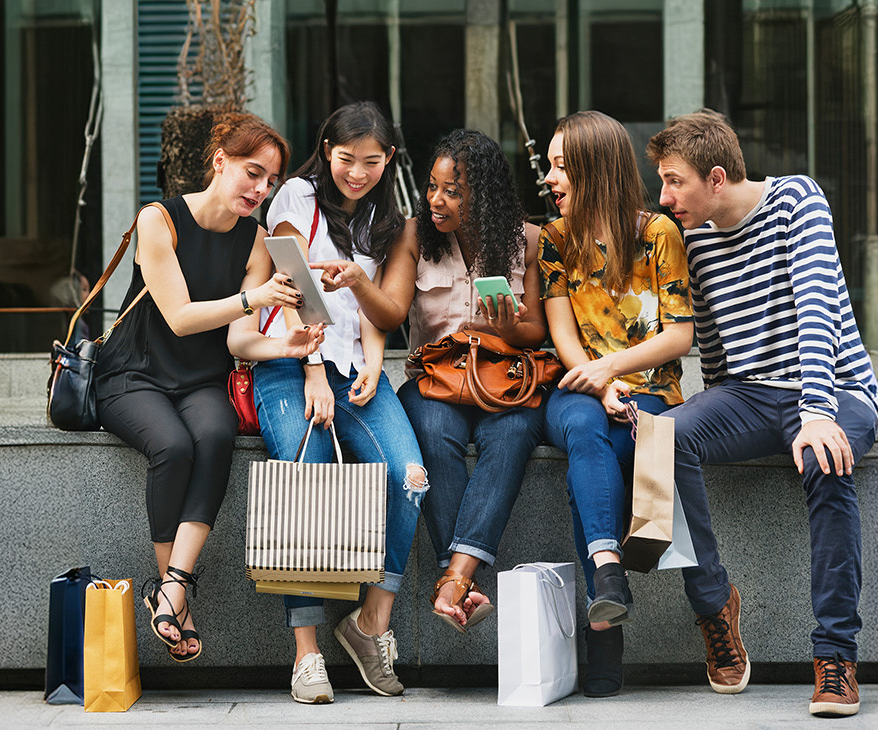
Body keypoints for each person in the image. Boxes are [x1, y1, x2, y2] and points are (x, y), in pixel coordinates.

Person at [646, 109, 878, 718]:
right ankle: (715, 604)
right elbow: (717, 348)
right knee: (661, 437)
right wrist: (714, 411)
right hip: (751, 395)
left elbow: (817, 311)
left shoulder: (797, 201)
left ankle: (836, 656)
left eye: (675, 182)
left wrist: (816, 411)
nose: (665, 196)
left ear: (717, 177)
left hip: (835, 386)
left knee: (827, 464)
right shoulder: (691, 236)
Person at [94, 113, 314, 663]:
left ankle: (171, 588)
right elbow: (181, 317)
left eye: (269, 182)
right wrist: (255, 299)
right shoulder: (158, 219)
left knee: (215, 436)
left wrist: (285, 348)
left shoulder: (256, 240)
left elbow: (239, 341)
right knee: (172, 445)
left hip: (201, 377)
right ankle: (176, 598)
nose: (259, 190)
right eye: (251, 172)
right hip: (133, 373)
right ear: (221, 160)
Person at [228, 101, 426, 705]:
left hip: (353, 368)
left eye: (371, 162)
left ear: (388, 159)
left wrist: (372, 362)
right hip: (291, 364)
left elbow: (372, 309)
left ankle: (370, 627)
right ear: (327, 150)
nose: (357, 173)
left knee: (411, 477)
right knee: (306, 485)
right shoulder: (295, 196)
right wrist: (312, 368)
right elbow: (291, 284)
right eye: (346, 159)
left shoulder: (386, 218)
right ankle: (306, 653)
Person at [329, 128, 549, 631]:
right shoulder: (413, 235)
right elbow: (389, 315)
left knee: (515, 433)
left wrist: (506, 325)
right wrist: (362, 282)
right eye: (433, 187)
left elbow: (536, 331)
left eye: (453, 191)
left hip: (502, 379)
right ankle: (462, 582)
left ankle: (453, 579)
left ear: (484, 197)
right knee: (431, 432)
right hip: (434, 380)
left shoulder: (527, 240)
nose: (436, 200)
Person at [537, 110, 695, 697]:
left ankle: (604, 614)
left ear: (595, 170)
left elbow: (679, 335)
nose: (551, 179)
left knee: (599, 447)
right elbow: (562, 332)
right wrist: (599, 381)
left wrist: (614, 373)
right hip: (581, 386)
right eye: (551, 167)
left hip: (650, 392)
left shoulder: (657, 235)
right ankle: (608, 574)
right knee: (583, 423)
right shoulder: (553, 240)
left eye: (561, 167)